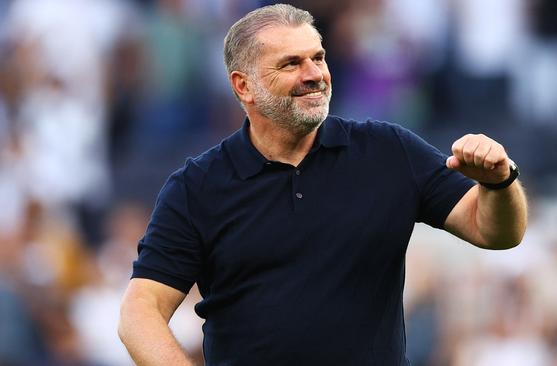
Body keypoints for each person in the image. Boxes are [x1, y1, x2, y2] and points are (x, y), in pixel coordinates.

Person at [118, 4, 527, 365]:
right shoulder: (197, 187)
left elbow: (494, 232)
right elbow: (140, 312)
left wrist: (500, 183)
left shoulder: (388, 150)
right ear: (244, 86)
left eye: (319, 57)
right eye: (291, 63)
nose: (314, 74)